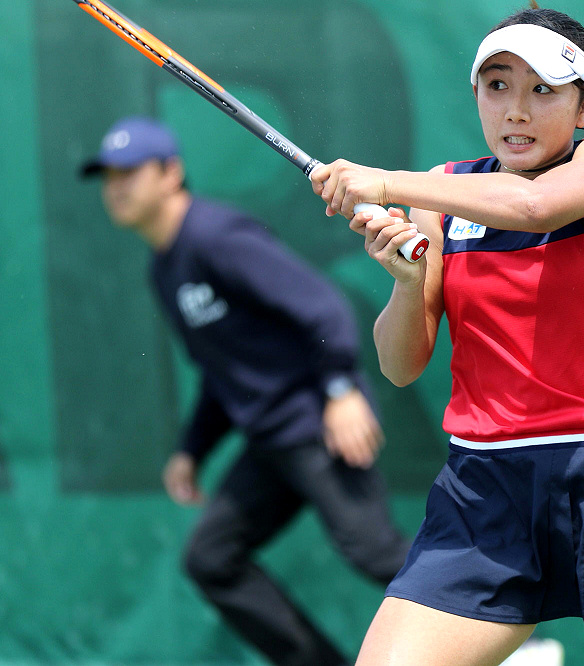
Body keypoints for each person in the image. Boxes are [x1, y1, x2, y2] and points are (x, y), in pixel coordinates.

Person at [309, 4, 584, 665]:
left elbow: (535, 206)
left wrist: (385, 182)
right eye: (498, 86)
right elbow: (401, 366)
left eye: (543, 90)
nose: (516, 110)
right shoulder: (442, 196)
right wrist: (408, 281)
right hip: (485, 497)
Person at [80, 116, 411, 666]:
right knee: (211, 559)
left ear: (170, 173)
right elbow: (221, 368)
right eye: (109, 177)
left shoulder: (216, 236)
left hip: (317, 422)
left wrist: (339, 390)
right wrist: (192, 450)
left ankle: (512, 645)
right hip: (270, 440)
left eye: (130, 173)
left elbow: (322, 307)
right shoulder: (164, 267)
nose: (116, 188)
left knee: (375, 552)